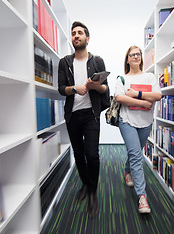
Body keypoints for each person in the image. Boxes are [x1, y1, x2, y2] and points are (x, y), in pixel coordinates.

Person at [58, 21, 109, 215]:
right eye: (73, 33)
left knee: (92, 155)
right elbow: (61, 88)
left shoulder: (97, 61)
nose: (76, 35)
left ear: (87, 38)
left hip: (91, 115)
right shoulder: (64, 62)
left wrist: (96, 87)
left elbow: (106, 89)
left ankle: (93, 191)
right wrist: (74, 89)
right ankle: (85, 185)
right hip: (72, 116)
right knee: (78, 155)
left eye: (80, 33)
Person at [115, 45, 162, 213]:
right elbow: (120, 97)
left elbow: (158, 95)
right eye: (132, 55)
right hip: (126, 121)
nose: (135, 56)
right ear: (127, 59)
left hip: (145, 121)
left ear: (141, 57)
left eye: (138, 54)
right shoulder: (122, 78)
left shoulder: (149, 77)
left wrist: (137, 94)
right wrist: (143, 102)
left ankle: (127, 170)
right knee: (136, 155)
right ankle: (142, 197)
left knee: (135, 151)